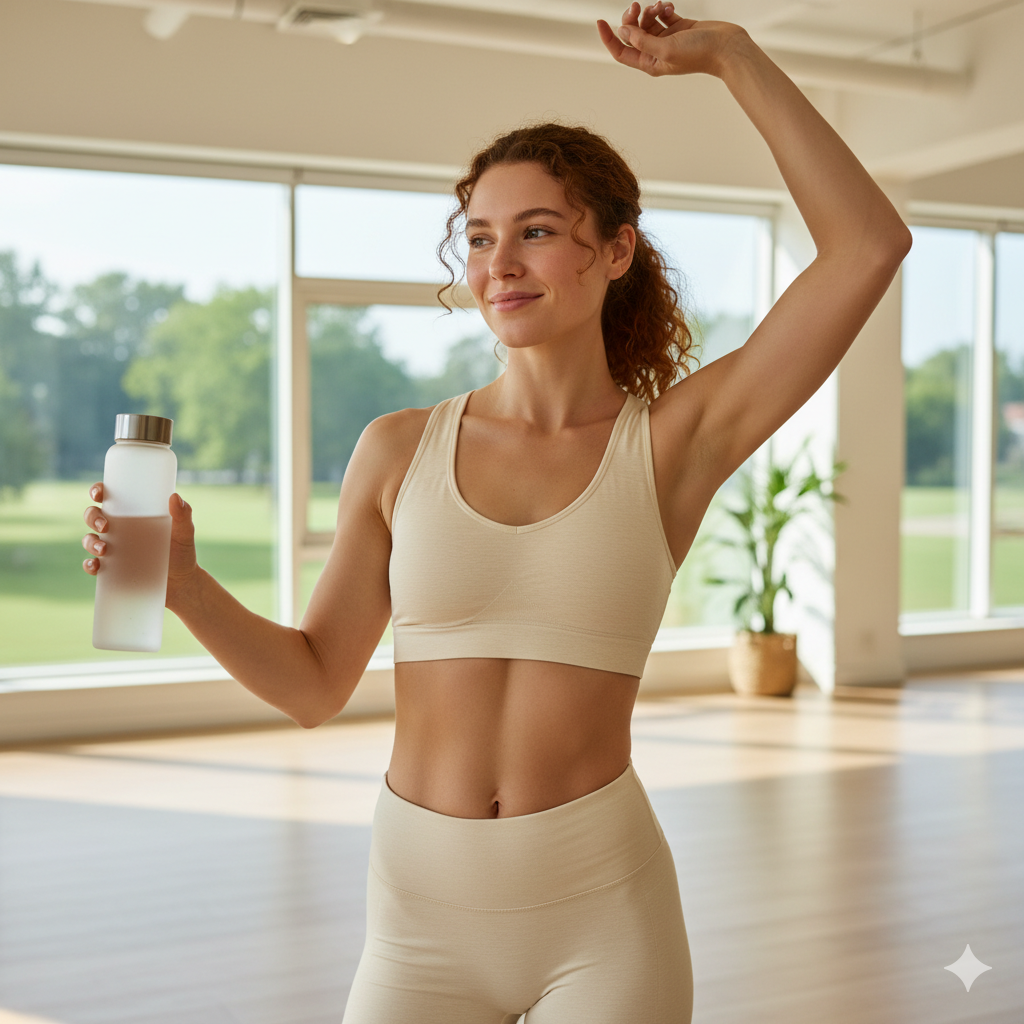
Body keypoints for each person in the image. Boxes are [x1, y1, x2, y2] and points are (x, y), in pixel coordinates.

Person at [82, 4, 911, 1021]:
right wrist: (184, 587)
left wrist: (731, 56)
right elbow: (313, 684)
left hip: (602, 917)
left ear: (615, 251)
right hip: (417, 926)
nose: (498, 264)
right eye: (478, 238)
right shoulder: (399, 450)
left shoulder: (669, 446)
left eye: (537, 232)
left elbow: (867, 245)